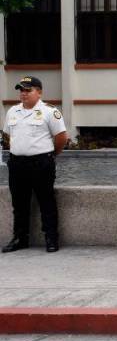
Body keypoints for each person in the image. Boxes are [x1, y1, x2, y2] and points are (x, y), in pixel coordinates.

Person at [2, 76, 68, 254]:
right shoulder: (12, 111)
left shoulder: (49, 112)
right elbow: (8, 136)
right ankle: (20, 238)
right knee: (19, 203)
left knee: (46, 201)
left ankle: (51, 238)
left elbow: (62, 137)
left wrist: (52, 154)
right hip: (17, 164)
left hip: (41, 163)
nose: (23, 94)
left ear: (39, 92)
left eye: (28, 90)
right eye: (21, 90)